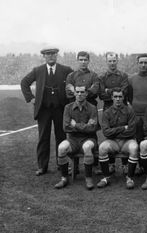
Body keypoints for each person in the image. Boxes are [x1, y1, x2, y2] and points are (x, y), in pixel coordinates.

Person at [20, 47, 73, 176]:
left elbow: (74, 80)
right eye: (48, 54)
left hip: (60, 109)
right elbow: (24, 82)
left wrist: (71, 93)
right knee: (43, 138)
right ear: (44, 56)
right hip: (44, 110)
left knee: (61, 137)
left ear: (57, 55)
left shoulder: (65, 70)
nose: (51, 56)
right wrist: (31, 99)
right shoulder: (38, 70)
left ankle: (62, 165)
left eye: (53, 54)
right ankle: (42, 167)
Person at [54, 86, 99, 190]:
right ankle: (64, 178)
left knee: (87, 147)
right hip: (73, 140)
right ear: (74, 93)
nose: (79, 94)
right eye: (77, 92)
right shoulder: (68, 107)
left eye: (82, 92)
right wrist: (85, 126)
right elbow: (66, 127)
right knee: (61, 148)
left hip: (89, 139)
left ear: (86, 94)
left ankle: (88, 178)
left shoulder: (92, 108)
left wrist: (75, 125)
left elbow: (93, 128)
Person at [97, 88, 139, 189]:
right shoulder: (107, 112)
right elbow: (106, 132)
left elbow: (132, 130)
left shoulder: (130, 110)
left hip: (127, 141)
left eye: (120, 96)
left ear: (123, 97)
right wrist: (122, 128)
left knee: (134, 148)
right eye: (115, 97)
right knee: (102, 148)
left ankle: (129, 178)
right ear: (112, 98)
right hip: (113, 142)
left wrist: (114, 131)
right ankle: (106, 177)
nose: (118, 99)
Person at [99, 52, 130, 174]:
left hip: (123, 107)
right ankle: (111, 164)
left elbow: (124, 91)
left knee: (124, 133)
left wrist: (108, 91)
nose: (112, 63)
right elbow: (101, 95)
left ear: (117, 61)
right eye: (109, 61)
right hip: (108, 107)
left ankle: (125, 164)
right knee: (110, 135)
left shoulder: (123, 75)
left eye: (114, 61)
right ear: (106, 61)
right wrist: (114, 92)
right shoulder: (102, 77)